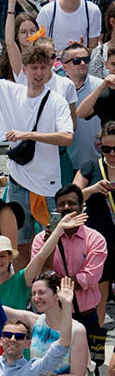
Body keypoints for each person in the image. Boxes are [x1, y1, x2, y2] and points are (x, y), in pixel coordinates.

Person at [0, 44, 75, 268]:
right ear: (25, 69)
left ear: (50, 68)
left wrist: (29, 135)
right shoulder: (14, 92)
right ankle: (24, 292)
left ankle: (46, 290)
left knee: (50, 242)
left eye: (43, 67)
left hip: (47, 185)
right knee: (18, 244)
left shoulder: (56, 100)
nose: (38, 73)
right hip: (18, 183)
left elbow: (68, 136)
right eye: (33, 68)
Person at [30, 185, 108, 370]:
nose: (66, 208)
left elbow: (89, 279)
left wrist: (53, 284)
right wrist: (52, 242)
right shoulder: (42, 239)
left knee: (88, 368)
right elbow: (39, 277)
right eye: (61, 204)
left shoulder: (95, 239)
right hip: (52, 315)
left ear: (81, 207)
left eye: (72, 203)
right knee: (51, 367)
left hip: (86, 315)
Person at [8, 272, 91, 376]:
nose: (36, 298)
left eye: (41, 293)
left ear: (56, 294)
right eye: (33, 293)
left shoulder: (77, 330)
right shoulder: (35, 322)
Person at [73, 125, 115, 326]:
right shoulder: (91, 166)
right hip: (99, 241)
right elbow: (71, 197)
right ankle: (96, 342)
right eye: (106, 149)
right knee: (100, 290)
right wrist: (92, 189)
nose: (112, 154)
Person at [37, 0, 102, 53]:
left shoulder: (93, 11)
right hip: (54, 62)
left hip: (81, 62)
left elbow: (94, 50)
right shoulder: (47, 11)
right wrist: (65, 53)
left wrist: (79, 49)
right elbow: (38, 48)